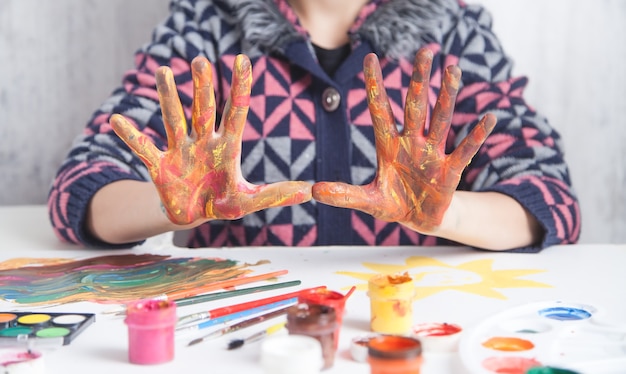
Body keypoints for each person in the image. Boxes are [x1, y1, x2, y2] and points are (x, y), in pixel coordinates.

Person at [48, 0, 581, 253]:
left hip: (411, 331)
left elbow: (549, 197)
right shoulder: (205, 27)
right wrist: (166, 206)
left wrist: (449, 212)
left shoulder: (452, 31)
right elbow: (80, 187)